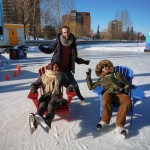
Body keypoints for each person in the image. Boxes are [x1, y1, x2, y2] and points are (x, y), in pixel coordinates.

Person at [38, 25, 90, 101]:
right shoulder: (58, 41)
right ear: (62, 33)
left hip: (66, 68)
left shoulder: (72, 43)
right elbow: (49, 50)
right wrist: (42, 48)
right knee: (55, 83)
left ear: (70, 32)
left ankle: (80, 96)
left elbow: (74, 58)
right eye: (64, 32)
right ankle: (52, 98)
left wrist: (84, 62)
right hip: (56, 68)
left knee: (74, 84)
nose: (66, 34)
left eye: (67, 32)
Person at [86, 60, 132, 135]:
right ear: (101, 70)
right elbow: (91, 87)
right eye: (103, 67)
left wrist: (125, 88)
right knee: (105, 98)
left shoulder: (116, 74)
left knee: (127, 100)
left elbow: (127, 84)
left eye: (106, 66)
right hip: (108, 93)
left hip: (119, 93)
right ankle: (104, 121)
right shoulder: (101, 79)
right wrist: (88, 77)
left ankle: (120, 125)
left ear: (109, 66)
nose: (105, 67)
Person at [28, 62, 71, 134]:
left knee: (51, 104)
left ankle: (48, 120)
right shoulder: (44, 76)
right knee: (42, 105)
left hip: (56, 97)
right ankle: (36, 120)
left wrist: (69, 88)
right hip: (46, 96)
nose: (57, 68)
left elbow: (69, 84)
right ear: (51, 68)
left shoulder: (61, 76)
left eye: (57, 67)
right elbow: (34, 84)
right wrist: (33, 89)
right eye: (55, 67)